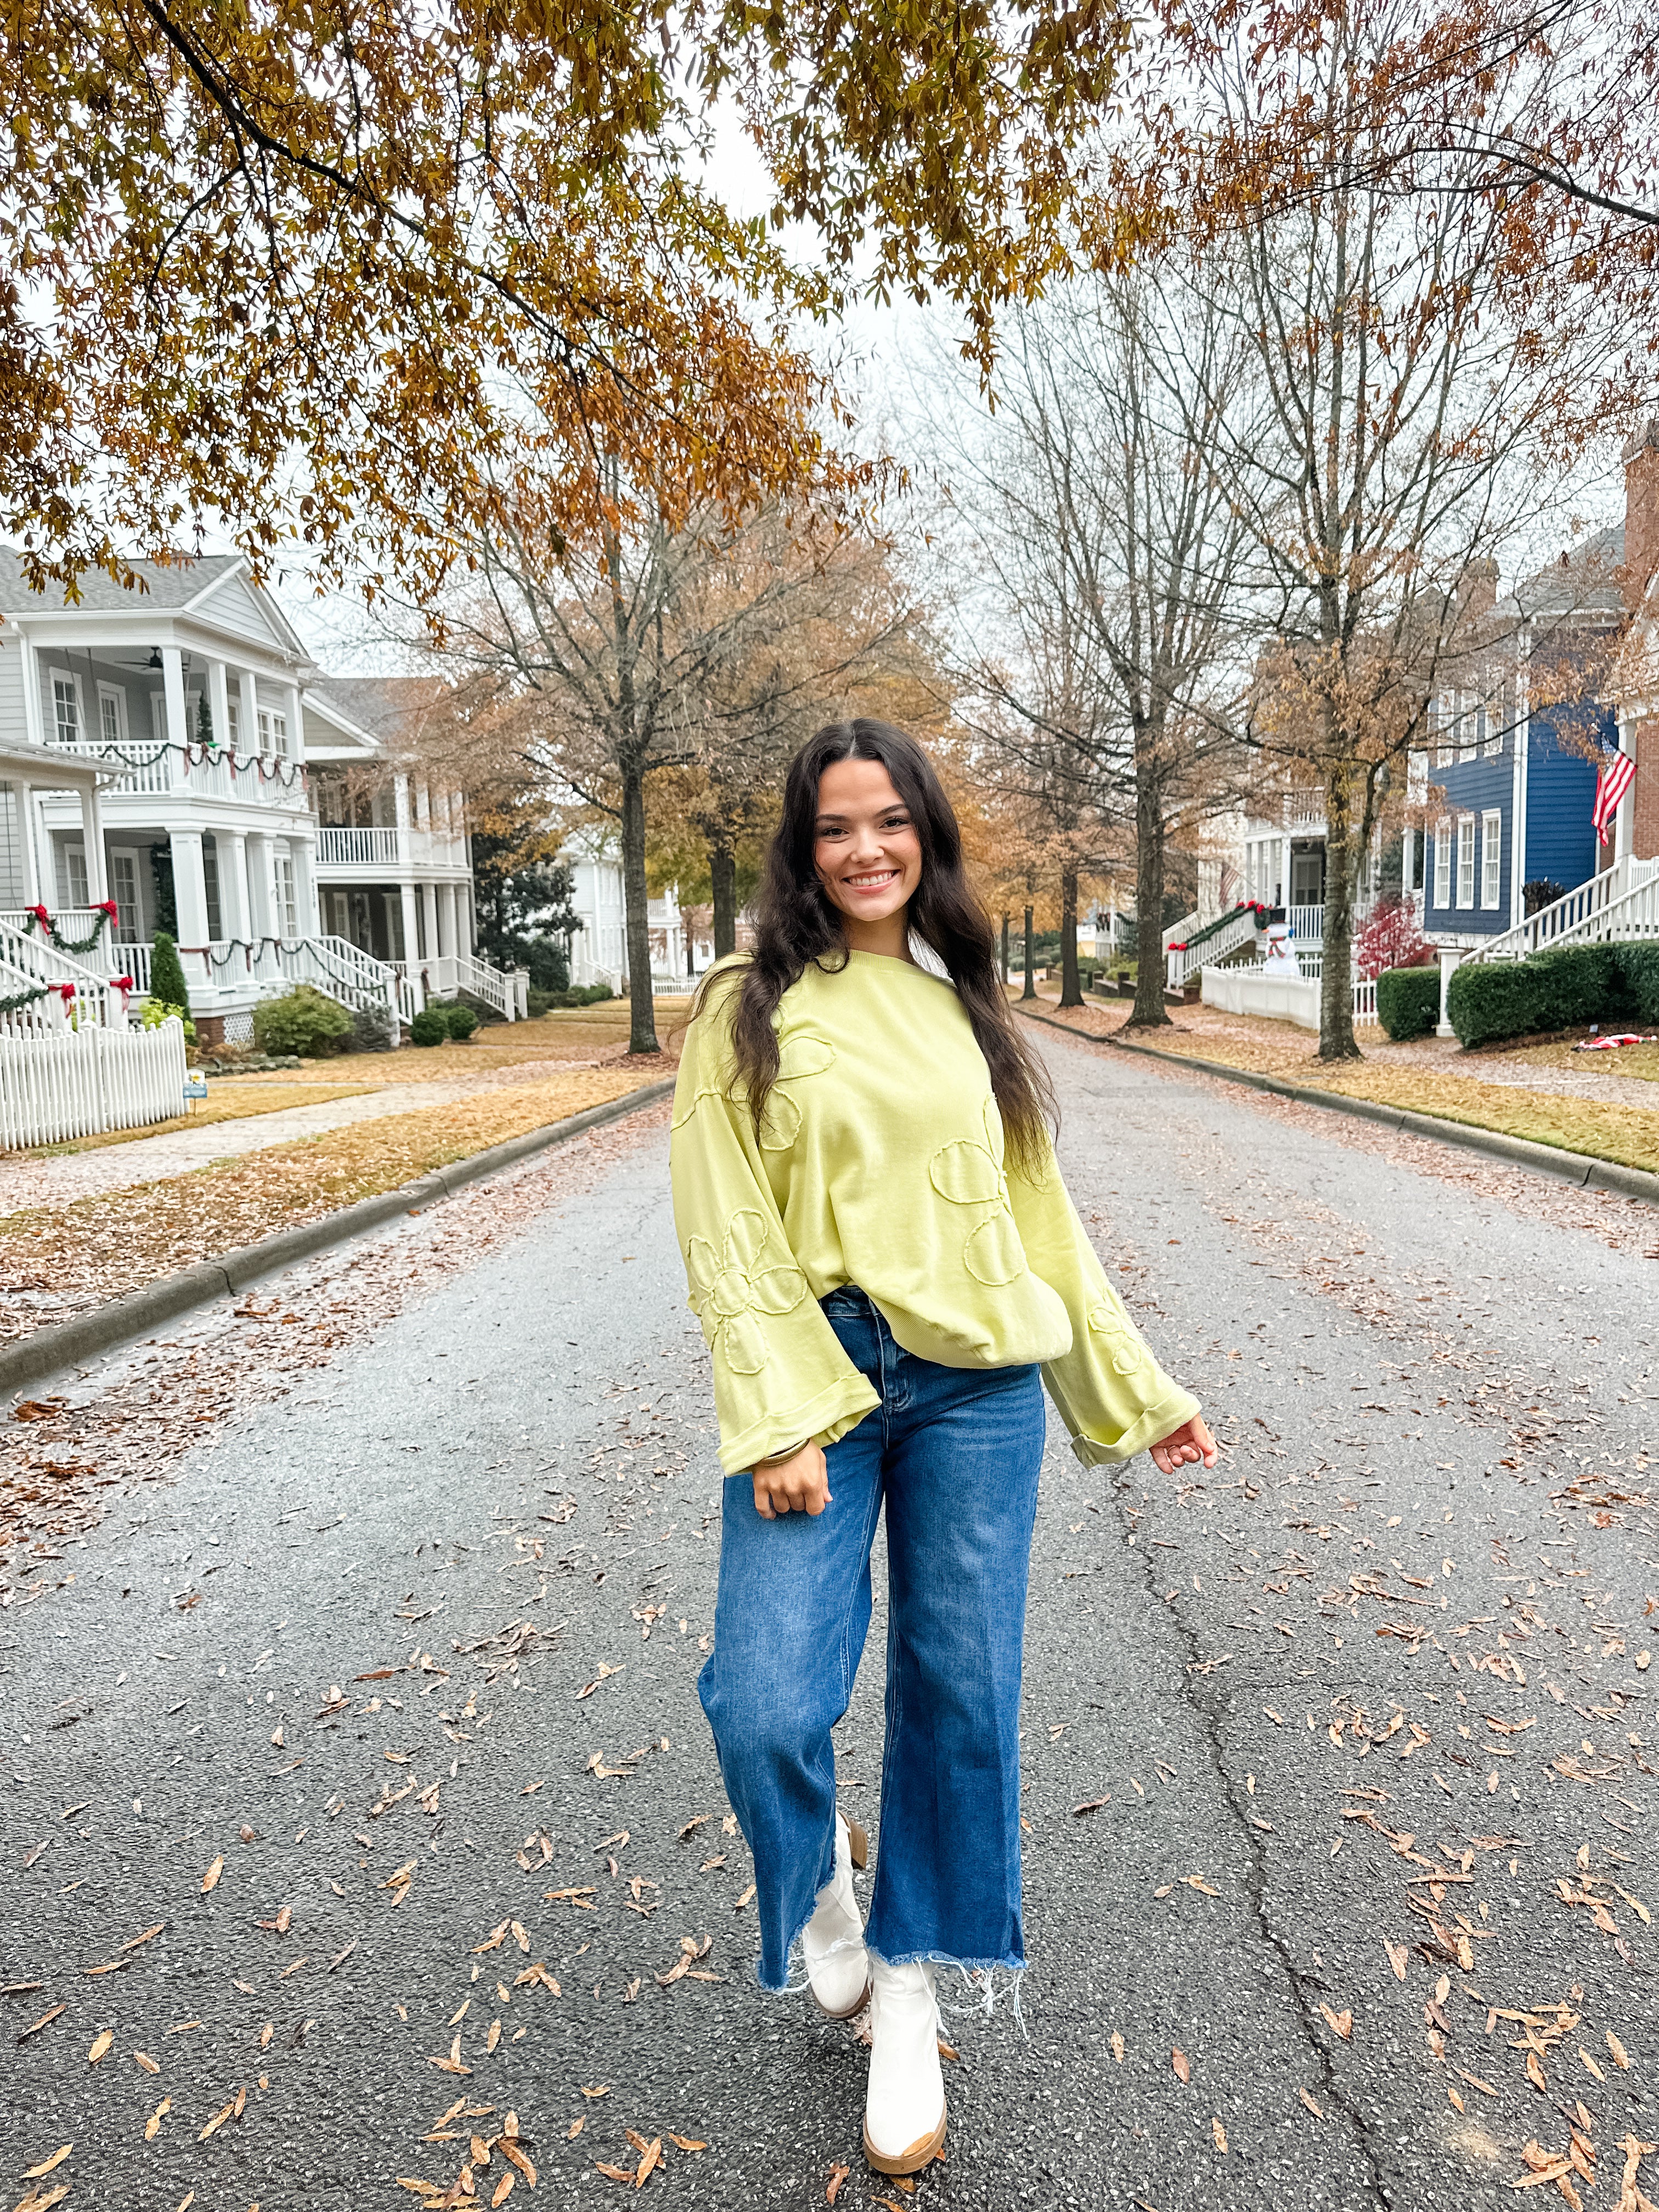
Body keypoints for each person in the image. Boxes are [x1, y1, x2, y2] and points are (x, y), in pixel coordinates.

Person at [669, 719, 1215, 2176]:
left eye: (892, 821)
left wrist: (1138, 1391)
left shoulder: (967, 1002)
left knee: (957, 1687)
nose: (866, 849)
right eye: (838, 826)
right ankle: (828, 1912)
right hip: (824, 1380)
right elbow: (722, 1222)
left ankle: (905, 1990)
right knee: (769, 1704)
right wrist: (780, 1407)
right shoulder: (751, 1001)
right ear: (804, 845)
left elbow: (1038, 1225)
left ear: (928, 835)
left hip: (976, 1388)